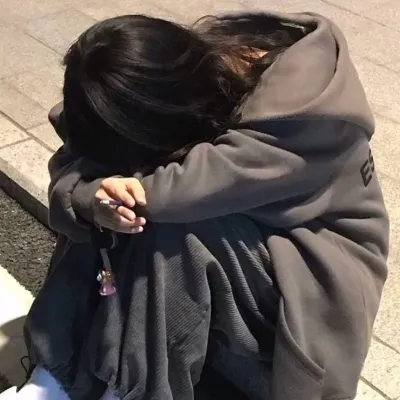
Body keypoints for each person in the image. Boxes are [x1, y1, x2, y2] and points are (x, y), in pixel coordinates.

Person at [1, 11, 389, 400]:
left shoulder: (295, 120)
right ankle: (55, 378)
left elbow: (170, 196)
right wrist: (93, 195)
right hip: (254, 232)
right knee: (108, 203)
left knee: (160, 226)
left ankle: (127, 391)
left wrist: (96, 193)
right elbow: (78, 157)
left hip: (310, 267)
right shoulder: (186, 72)